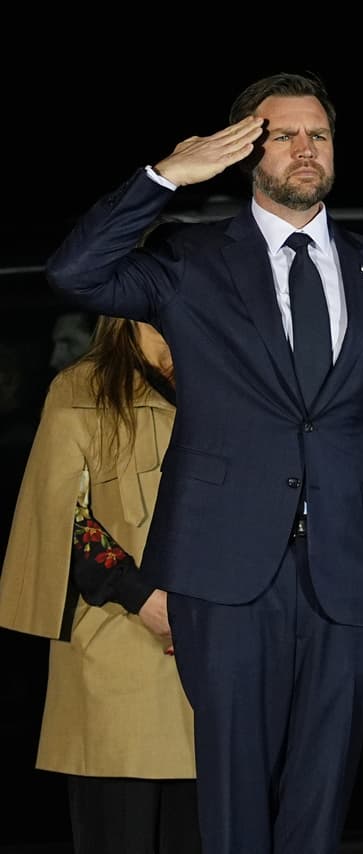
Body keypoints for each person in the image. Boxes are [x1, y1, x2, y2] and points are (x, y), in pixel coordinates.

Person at [43, 72, 363, 854]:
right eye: (283, 135)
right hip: (223, 571)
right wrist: (163, 178)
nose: (305, 149)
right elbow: (73, 273)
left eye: (318, 134)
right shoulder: (191, 260)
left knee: (322, 800)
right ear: (246, 150)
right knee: (234, 802)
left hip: (346, 571)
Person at [0, 314, 199, 854]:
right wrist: (142, 597)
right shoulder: (81, 389)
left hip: (219, 660)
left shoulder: (227, 379)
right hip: (119, 652)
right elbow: (59, 515)